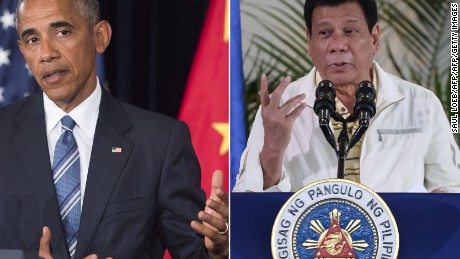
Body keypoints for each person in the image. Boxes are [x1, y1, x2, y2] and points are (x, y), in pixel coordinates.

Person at [0, 0, 228, 258]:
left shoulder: (160, 142)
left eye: (62, 32)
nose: (46, 53)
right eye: (32, 39)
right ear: (21, 50)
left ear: (100, 37)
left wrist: (218, 252)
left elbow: (194, 253)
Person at [233, 0, 460, 193]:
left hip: (404, 241)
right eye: (325, 33)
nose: (338, 45)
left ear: (374, 38)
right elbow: (250, 203)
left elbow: (450, 190)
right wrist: (273, 149)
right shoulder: (279, 109)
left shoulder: (421, 104)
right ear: (309, 42)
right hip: (312, 243)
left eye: (350, 31)